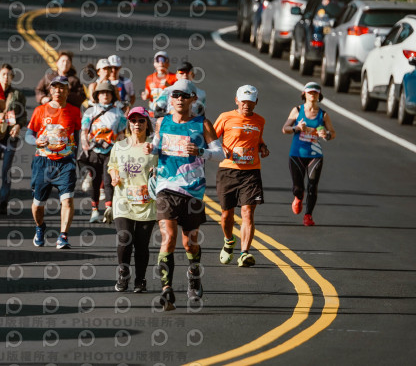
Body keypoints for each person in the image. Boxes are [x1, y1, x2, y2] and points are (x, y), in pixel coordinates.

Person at [143, 79, 223, 310]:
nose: (179, 99)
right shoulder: (162, 122)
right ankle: (166, 289)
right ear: (171, 98)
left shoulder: (202, 124)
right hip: (166, 188)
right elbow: (156, 145)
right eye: (176, 95)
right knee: (168, 237)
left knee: (190, 244)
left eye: (184, 95)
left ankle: (194, 274)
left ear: (193, 99)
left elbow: (220, 154)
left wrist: (200, 151)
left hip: (193, 190)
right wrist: (151, 148)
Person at [214, 85, 270, 268]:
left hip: (251, 171)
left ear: (256, 102)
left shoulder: (260, 121)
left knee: (247, 212)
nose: (247, 105)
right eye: (243, 101)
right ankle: (229, 240)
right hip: (228, 170)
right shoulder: (225, 117)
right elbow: (211, 138)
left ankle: (244, 253)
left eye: (250, 102)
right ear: (236, 100)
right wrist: (220, 148)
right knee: (226, 214)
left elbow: (258, 139)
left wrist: (263, 147)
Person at [26, 75, 82, 249]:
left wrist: (74, 155)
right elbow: (28, 134)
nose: (58, 91)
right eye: (55, 87)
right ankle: (40, 227)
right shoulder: (40, 110)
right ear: (50, 90)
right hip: (43, 162)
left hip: (65, 162)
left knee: (67, 200)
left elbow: (77, 135)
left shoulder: (74, 111)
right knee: (37, 205)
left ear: (67, 90)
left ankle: (63, 236)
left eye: (62, 87)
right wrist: (36, 141)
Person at [108, 107, 157, 293]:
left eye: (141, 120)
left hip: (147, 202)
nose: (137, 124)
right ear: (129, 123)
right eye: (133, 120)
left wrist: (156, 174)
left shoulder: (153, 148)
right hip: (123, 200)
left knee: (141, 244)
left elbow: (165, 169)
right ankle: (123, 273)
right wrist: (114, 175)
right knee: (124, 239)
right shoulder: (119, 146)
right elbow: (112, 165)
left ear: (147, 123)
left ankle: (140, 279)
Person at [282, 82, 336, 226]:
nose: (312, 95)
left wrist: (326, 134)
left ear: (319, 95)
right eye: (310, 92)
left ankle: (308, 215)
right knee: (298, 188)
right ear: (304, 94)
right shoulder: (297, 110)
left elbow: (332, 133)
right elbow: (285, 129)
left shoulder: (323, 115)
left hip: (315, 155)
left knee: (312, 186)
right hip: (297, 154)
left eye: (315, 93)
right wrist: (297, 128)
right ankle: (298, 198)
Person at [80, 81, 127, 223]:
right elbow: (84, 131)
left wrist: (122, 149)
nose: (105, 95)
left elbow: (121, 133)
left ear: (112, 95)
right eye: (102, 93)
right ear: (97, 96)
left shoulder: (118, 113)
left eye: (108, 92)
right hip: (94, 150)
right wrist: (85, 144)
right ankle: (94, 210)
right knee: (95, 181)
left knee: (108, 180)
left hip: (111, 151)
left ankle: (109, 209)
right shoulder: (90, 111)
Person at [0, 63, 27, 214]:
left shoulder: (17, 95)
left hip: (10, 138)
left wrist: (18, 125)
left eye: (9, 75)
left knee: (6, 169)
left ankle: (4, 201)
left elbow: (23, 116)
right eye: (3, 74)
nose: (6, 78)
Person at [141, 51, 177, 116]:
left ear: (168, 63)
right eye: (158, 60)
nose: (161, 62)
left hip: (169, 112)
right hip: (153, 112)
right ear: (154, 64)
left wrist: (169, 86)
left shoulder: (174, 77)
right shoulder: (149, 78)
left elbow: (179, 94)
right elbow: (146, 95)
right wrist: (145, 95)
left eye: (163, 60)